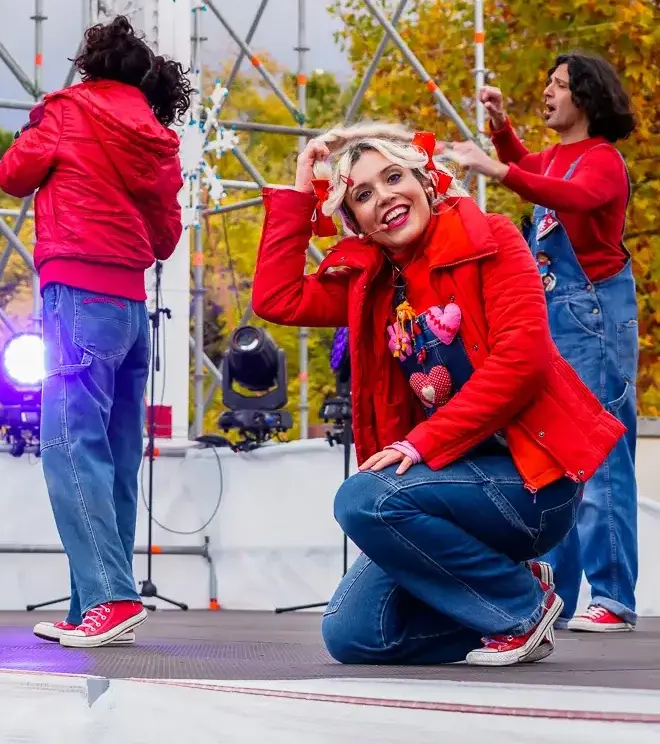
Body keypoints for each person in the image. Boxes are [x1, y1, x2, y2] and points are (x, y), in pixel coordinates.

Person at [251, 123, 626, 666]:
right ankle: (508, 586)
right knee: (355, 636)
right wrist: (297, 190)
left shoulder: (491, 238)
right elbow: (277, 298)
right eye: (362, 195)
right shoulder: (372, 286)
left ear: (426, 182)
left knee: (363, 498)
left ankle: (519, 607)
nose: (385, 198)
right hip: (449, 492)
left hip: (531, 484)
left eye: (393, 177)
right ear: (355, 223)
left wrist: (419, 444)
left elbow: (522, 361)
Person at [0, 15, 189, 648]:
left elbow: (13, 175)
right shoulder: (158, 137)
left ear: (89, 64)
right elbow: (165, 237)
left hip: (77, 291)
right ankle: (94, 606)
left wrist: (37, 128)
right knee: (116, 455)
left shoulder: (66, 110)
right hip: (132, 306)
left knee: (72, 446)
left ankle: (109, 597)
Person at [448, 52, 639, 633]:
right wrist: (503, 130)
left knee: (601, 454)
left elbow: (570, 197)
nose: (549, 93)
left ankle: (613, 596)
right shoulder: (558, 157)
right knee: (556, 451)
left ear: (586, 96)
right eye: (548, 83)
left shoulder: (602, 161)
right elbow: (537, 169)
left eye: (559, 84)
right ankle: (559, 592)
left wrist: (494, 168)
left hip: (593, 314)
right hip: (554, 312)